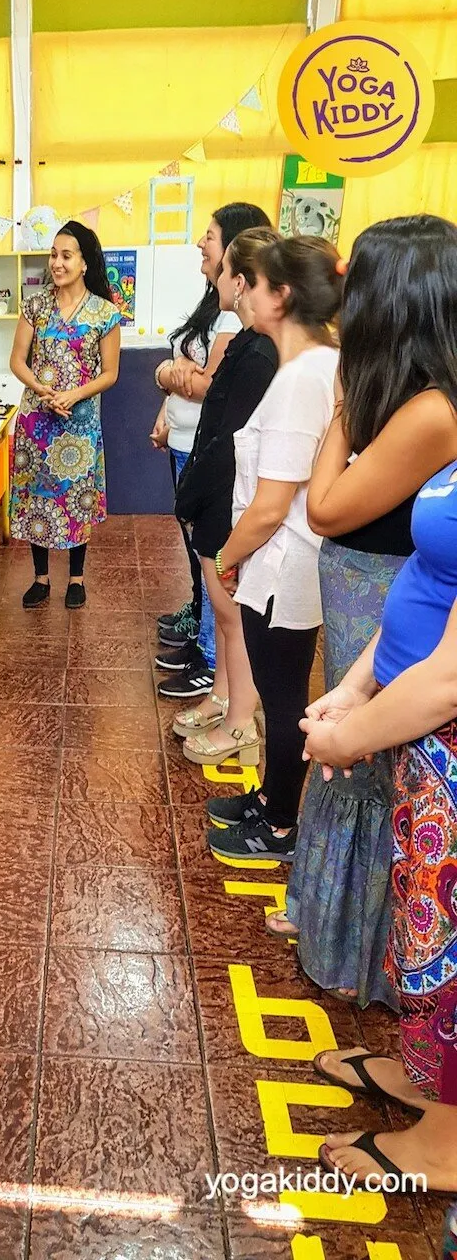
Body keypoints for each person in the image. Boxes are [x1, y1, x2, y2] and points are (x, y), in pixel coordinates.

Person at [265, 215, 457, 1009]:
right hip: (375, 599)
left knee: (368, 774)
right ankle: (331, 923)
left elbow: (328, 504)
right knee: (356, 768)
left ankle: (364, 950)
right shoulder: (409, 392)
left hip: (381, 591)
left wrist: (341, 402)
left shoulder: (430, 410)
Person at [301, 457, 457, 1195]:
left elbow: (453, 675)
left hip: (445, 726)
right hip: (419, 726)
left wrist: (350, 735)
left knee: (448, 946)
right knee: (423, 927)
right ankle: (431, 1083)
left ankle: (448, 1144)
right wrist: (356, 686)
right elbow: (427, 572)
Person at [206, 236, 341, 863]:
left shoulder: (300, 379)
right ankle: (268, 797)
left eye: (254, 282)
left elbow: (269, 505)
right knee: (281, 688)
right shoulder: (317, 365)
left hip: (283, 562)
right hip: (285, 559)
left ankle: (280, 822)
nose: (244, 291)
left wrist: (226, 558)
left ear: (280, 296)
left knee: (284, 697)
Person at [152, 202, 272, 699]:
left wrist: (176, 375)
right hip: (191, 448)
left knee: (220, 578)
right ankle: (216, 673)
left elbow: (207, 391)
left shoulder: (255, 345)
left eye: (210, 238)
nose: (202, 246)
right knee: (204, 566)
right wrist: (170, 378)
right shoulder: (223, 316)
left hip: (220, 475)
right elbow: (183, 376)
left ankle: (219, 679)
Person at [172, 227, 280, 760]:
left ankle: (241, 720)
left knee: (231, 610)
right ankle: (224, 695)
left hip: (229, 498)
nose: (211, 273)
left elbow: (232, 440)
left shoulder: (261, 353)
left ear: (241, 282)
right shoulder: (241, 343)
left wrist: (191, 495)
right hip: (217, 494)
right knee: (221, 608)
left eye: (221, 266)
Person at [9, 220, 122, 609]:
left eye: (66, 256)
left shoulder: (105, 313)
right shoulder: (35, 306)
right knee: (37, 498)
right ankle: (40, 579)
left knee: (78, 499)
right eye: (53, 255)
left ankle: (76, 578)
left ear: (85, 262)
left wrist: (73, 395)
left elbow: (110, 373)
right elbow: (17, 361)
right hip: (37, 420)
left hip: (80, 422)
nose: (57, 263)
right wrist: (42, 390)